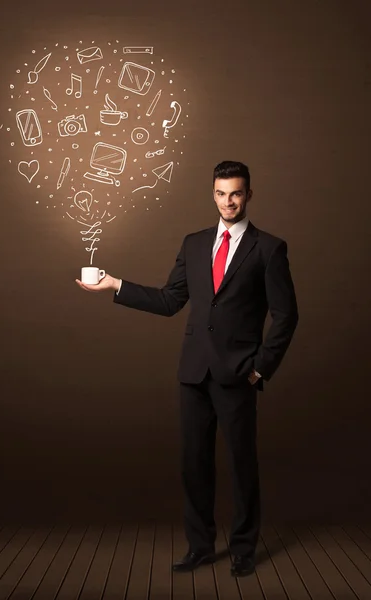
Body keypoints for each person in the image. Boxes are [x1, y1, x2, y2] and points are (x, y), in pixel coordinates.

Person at [75, 161, 299, 577]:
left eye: (235, 193)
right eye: (220, 193)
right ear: (212, 194)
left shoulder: (269, 248)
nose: (228, 201)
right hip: (193, 374)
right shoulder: (194, 243)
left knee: (241, 465)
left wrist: (260, 368)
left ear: (249, 194)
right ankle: (200, 547)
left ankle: (244, 549)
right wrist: (114, 285)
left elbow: (286, 315)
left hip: (238, 374)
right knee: (194, 464)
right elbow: (169, 301)